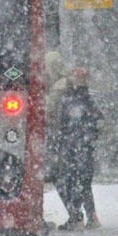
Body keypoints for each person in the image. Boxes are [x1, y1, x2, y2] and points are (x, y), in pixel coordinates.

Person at [57, 67, 104, 230]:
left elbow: (62, 123)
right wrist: (90, 139)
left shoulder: (69, 98)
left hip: (72, 145)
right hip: (85, 146)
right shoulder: (90, 99)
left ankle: (76, 217)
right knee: (83, 182)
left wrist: (65, 139)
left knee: (69, 181)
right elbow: (98, 122)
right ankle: (91, 217)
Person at [44, 51, 72, 222]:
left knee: (57, 175)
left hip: (58, 137)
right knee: (62, 176)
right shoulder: (64, 83)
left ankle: (75, 215)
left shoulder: (59, 87)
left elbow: (48, 110)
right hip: (65, 137)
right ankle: (78, 215)